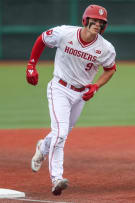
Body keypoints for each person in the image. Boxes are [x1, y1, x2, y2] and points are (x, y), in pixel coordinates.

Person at [26, 5, 116, 196]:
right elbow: (42, 39)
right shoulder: (65, 33)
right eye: (94, 20)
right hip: (59, 87)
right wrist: (31, 65)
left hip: (80, 95)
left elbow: (110, 69)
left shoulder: (106, 48)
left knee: (62, 131)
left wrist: (96, 86)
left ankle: (42, 147)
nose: (97, 24)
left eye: (101, 22)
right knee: (60, 134)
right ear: (85, 20)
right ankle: (56, 179)